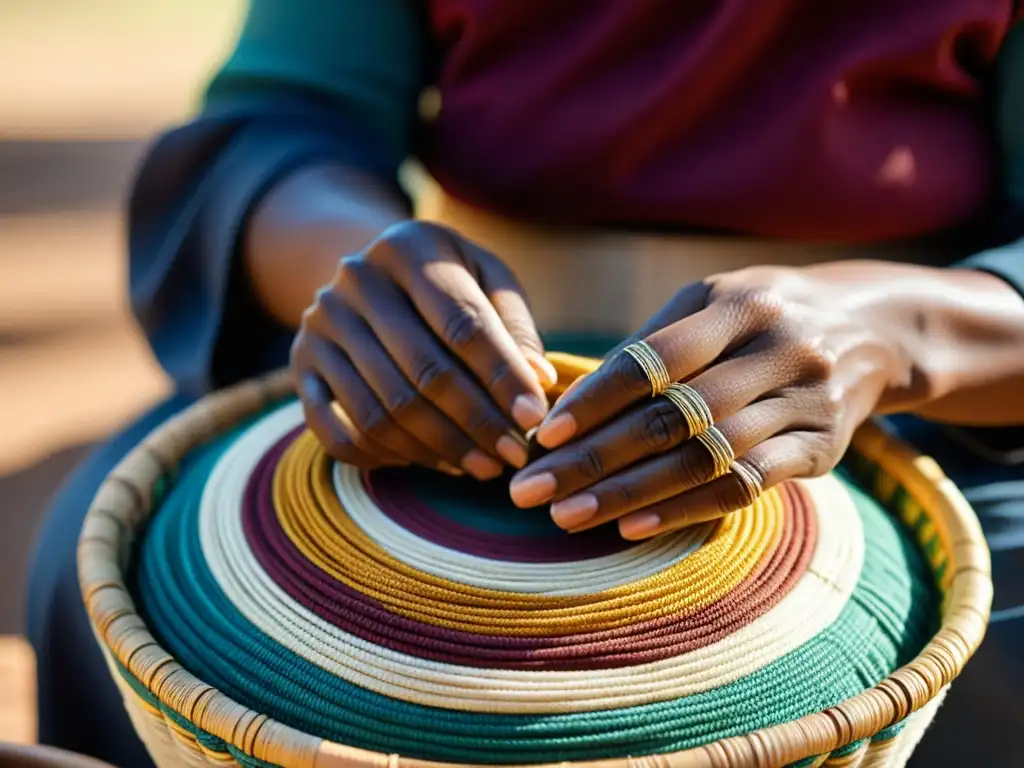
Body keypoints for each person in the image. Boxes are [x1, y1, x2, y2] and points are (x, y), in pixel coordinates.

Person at [26, 1, 1024, 766]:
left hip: (904, 408)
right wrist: (368, 273)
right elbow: (289, 118)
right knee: (95, 559)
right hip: (432, 389)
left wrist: (884, 334)